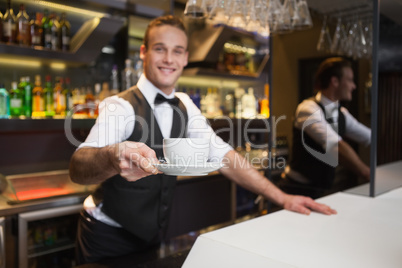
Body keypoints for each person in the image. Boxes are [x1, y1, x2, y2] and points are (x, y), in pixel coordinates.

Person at [69, 15, 337, 265]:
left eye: (177, 51)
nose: (168, 59)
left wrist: (283, 198)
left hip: (151, 235)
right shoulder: (119, 106)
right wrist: (113, 155)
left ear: (185, 57)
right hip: (105, 236)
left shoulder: (185, 103)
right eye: (160, 48)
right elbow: (78, 166)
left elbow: (224, 155)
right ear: (144, 53)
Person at [281, 57, 371, 199]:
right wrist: (367, 173)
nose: (353, 86)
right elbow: (336, 146)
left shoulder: (342, 113)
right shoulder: (307, 109)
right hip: (297, 189)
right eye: (349, 80)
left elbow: (370, 137)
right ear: (335, 81)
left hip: (322, 189)